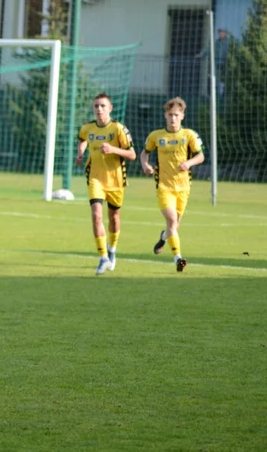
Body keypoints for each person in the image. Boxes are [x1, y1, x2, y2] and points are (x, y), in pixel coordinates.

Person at [140, 97, 205, 272]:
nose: (173, 118)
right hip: (164, 187)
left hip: (183, 188)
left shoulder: (189, 135)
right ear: (165, 116)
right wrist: (145, 165)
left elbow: (200, 156)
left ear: (182, 116)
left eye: (176, 115)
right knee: (171, 220)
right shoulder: (156, 136)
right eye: (170, 115)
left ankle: (163, 236)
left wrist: (189, 163)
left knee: (174, 227)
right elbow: (144, 153)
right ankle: (178, 259)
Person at [75, 93, 135, 275]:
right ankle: (103, 258)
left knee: (114, 218)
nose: (99, 109)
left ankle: (112, 249)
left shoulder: (118, 129)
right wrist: (80, 153)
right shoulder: (88, 128)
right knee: (96, 215)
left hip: (116, 180)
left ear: (110, 108)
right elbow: (82, 139)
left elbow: (132, 154)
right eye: (96, 106)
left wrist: (113, 149)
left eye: (102, 106)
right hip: (95, 178)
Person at [196, 28, 229, 97]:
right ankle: (218, 95)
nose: (220, 34)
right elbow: (209, 49)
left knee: (225, 79)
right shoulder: (216, 42)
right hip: (216, 63)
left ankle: (224, 94)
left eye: (221, 32)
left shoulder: (228, 42)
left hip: (226, 64)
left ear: (225, 33)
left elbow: (232, 51)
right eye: (219, 32)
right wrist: (201, 54)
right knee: (216, 79)